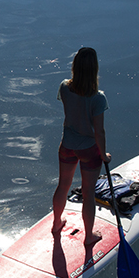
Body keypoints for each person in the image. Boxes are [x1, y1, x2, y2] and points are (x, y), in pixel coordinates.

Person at [50, 47, 111, 245]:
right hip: (89, 150)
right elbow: (99, 132)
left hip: (67, 145)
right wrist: (104, 155)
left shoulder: (64, 88)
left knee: (63, 186)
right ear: (95, 69)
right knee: (88, 193)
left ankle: (57, 223)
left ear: (74, 67)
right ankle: (89, 236)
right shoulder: (98, 98)